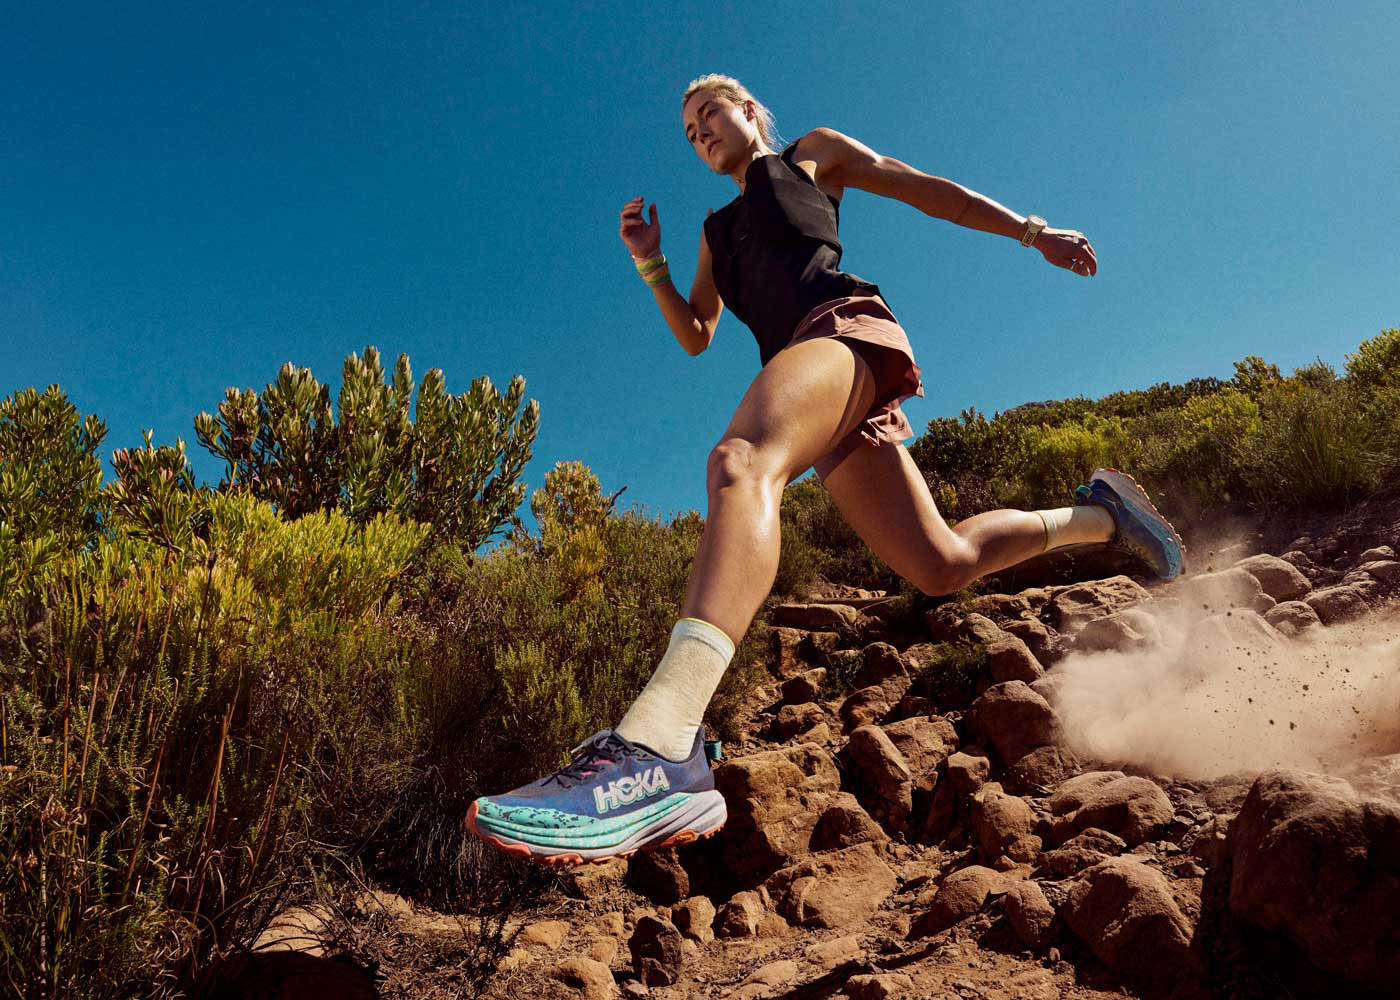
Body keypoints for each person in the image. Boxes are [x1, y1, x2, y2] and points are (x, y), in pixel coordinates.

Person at [465, 74, 1184, 865]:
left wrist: (1030, 231)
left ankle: (661, 741)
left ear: (748, 111)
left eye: (709, 115)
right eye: (689, 133)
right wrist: (652, 265)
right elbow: (698, 333)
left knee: (740, 462)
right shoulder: (714, 232)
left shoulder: (811, 156)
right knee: (941, 565)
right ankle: (1105, 516)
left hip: (842, 332)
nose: (700, 134)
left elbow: (924, 190)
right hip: (812, 385)